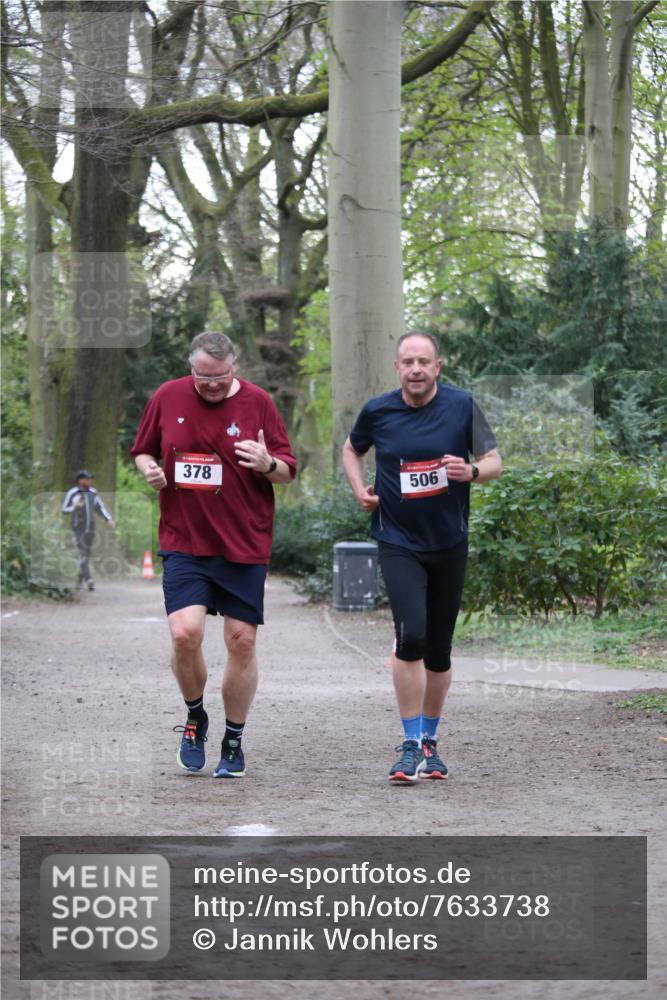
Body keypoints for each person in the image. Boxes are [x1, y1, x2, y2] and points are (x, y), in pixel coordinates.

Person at [131, 331, 297, 779]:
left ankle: (234, 738)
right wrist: (150, 469)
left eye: (220, 377)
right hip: (185, 539)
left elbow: (288, 471)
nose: (212, 385)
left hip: (244, 542)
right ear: (191, 368)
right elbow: (143, 451)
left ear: (234, 366)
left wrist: (267, 463)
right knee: (185, 634)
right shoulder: (167, 396)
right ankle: (195, 717)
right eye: (203, 377)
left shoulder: (259, 403)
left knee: (242, 641)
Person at [342, 332, 501, 783]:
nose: (416, 369)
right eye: (408, 362)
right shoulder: (379, 410)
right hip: (397, 539)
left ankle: (430, 740)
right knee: (411, 636)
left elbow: (493, 460)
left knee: (439, 650)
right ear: (397, 367)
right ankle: (410, 744)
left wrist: (471, 471)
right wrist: (359, 490)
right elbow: (352, 449)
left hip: (449, 541)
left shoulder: (461, 405)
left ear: (437, 366)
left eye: (423, 362)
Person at [61, 470, 115, 590]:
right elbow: (64, 509)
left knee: (86, 553)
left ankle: (79, 582)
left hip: (90, 528)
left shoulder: (93, 493)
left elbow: (100, 507)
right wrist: (74, 507)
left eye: (90, 479)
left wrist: (109, 519)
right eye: (87, 479)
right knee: (81, 553)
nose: (90, 481)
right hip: (77, 527)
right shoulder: (72, 493)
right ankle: (89, 579)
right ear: (80, 480)